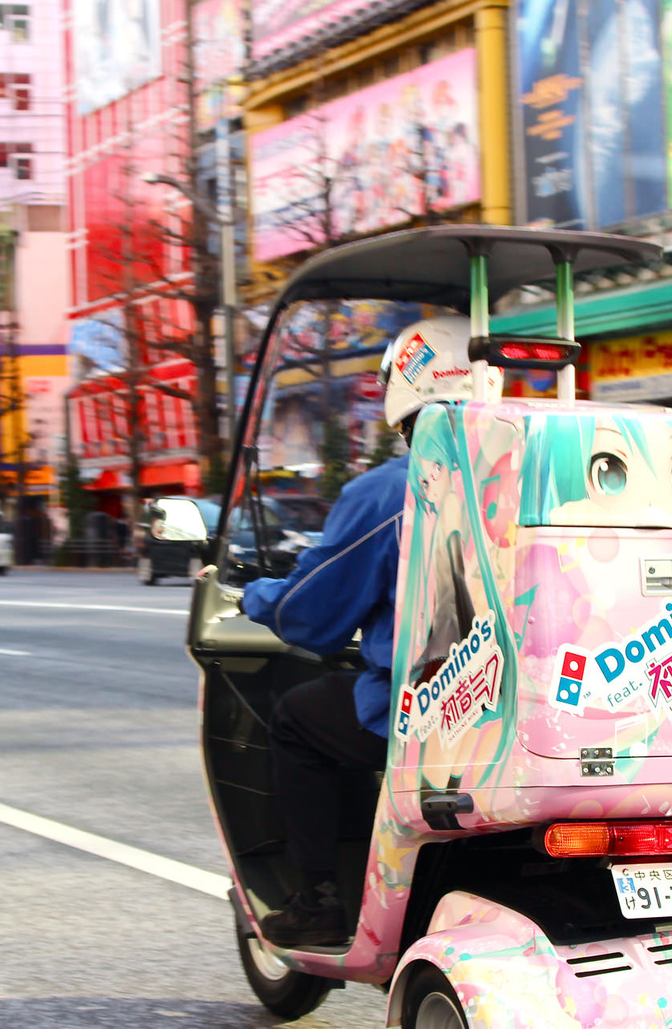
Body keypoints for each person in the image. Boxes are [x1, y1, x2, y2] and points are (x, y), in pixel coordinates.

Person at [240, 316, 498, 947]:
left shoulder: (390, 491)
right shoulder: (532, 473)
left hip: (438, 714)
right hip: (547, 709)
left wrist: (255, 594)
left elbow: (314, 614)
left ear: (405, 392)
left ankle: (319, 898)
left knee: (300, 719)